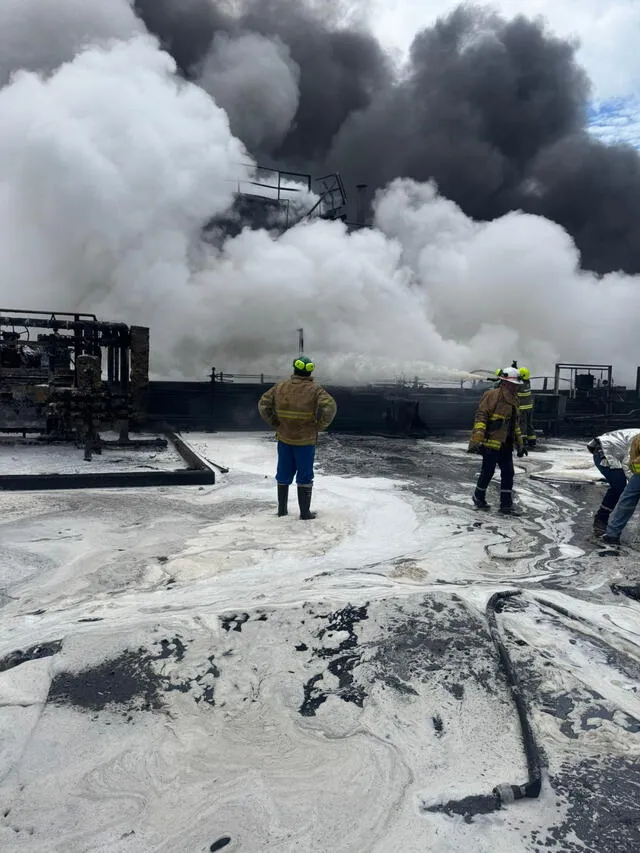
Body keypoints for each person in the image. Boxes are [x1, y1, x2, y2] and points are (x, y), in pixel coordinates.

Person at [258, 356, 337, 520]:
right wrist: (319, 426)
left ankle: (282, 511)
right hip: (305, 440)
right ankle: (305, 513)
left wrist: (275, 422)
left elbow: (263, 404)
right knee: (305, 475)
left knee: (283, 473)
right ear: (310, 371)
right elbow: (330, 407)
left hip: (284, 437)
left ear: (294, 369)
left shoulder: (280, 387)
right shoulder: (315, 389)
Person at [468, 366, 526, 514]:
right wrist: (477, 439)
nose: (516, 387)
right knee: (487, 471)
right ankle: (478, 496)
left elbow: (515, 425)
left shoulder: (515, 400)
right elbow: (481, 417)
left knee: (508, 473)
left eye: (517, 385)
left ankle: (506, 505)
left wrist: (520, 444)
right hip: (491, 442)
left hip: (506, 444)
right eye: (513, 385)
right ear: (505, 382)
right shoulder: (492, 395)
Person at [587, 428, 640, 534]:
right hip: (605, 452)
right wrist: (634, 485)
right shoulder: (637, 440)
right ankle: (601, 519)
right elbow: (628, 463)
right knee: (619, 486)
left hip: (616, 451)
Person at [516, 365, 536, 448]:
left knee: (522, 424)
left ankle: (522, 440)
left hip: (522, 407)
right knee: (529, 424)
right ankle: (532, 440)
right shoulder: (527, 382)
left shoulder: (519, 385)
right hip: (529, 407)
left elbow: (514, 385)